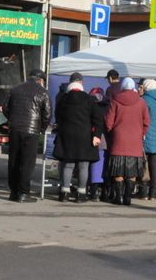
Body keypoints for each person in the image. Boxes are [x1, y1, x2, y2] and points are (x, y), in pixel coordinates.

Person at [52, 73, 103, 203]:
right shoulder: (89, 99)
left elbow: (57, 117)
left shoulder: (62, 99)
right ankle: (81, 194)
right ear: (81, 83)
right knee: (83, 166)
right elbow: (98, 119)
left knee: (68, 165)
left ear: (70, 83)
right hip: (85, 138)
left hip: (67, 136)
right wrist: (96, 135)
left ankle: (64, 192)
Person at [3, 69, 51, 203]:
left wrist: (12, 120)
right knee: (27, 163)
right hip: (31, 131)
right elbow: (47, 114)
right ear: (40, 80)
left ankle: (13, 192)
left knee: (14, 160)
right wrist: (41, 128)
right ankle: (23, 193)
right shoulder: (43, 92)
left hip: (15, 129)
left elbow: (5, 108)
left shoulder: (15, 89)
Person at [104, 77, 150, 206]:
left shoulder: (115, 101)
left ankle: (118, 197)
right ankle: (127, 197)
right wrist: (141, 133)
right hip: (135, 141)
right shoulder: (141, 102)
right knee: (132, 171)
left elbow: (109, 122)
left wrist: (112, 131)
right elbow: (147, 122)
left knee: (118, 170)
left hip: (119, 139)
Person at [87, 87, 108, 201]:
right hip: (106, 140)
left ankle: (93, 192)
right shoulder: (108, 105)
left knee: (94, 167)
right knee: (104, 167)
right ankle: (104, 192)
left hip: (91, 138)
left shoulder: (89, 105)